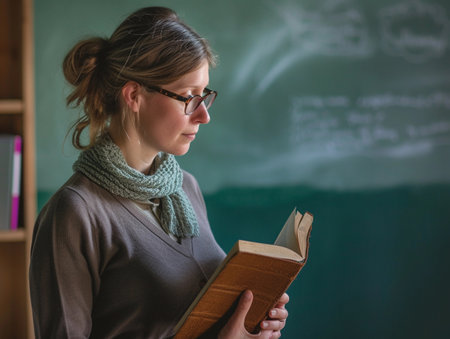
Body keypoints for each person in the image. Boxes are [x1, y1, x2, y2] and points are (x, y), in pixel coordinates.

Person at [29, 6, 289, 339]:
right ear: (134, 96)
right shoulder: (75, 212)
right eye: (188, 97)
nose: (203, 115)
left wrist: (252, 316)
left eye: (205, 95)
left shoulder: (186, 188)